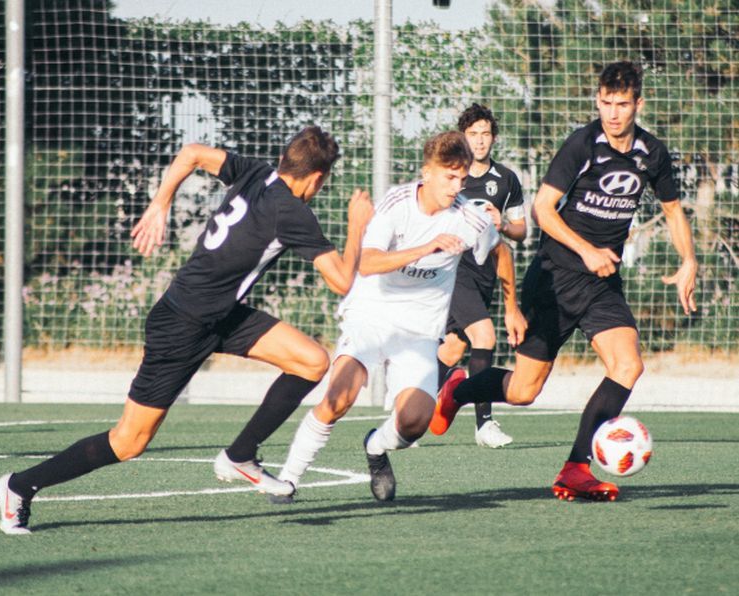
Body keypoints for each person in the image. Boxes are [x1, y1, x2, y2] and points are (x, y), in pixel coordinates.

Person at [0, 126, 374, 534]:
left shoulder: (255, 172)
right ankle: (18, 486)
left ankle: (240, 456)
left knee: (311, 361)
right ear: (317, 177)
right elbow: (341, 280)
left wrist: (160, 204)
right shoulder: (292, 211)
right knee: (129, 441)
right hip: (181, 325)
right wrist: (357, 227)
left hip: (221, 315)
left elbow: (192, 152)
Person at [430, 61, 698, 501]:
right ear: (598, 101)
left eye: (623, 105)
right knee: (522, 390)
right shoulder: (581, 144)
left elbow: (671, 210)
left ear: (638, 104)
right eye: (606, 103)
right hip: (553, 279)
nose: (613, 114)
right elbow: (543, 209)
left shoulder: (653, 152)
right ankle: (459, 390)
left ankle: (575, 468)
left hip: (601, 283)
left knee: (628, 365)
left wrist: (688, 260)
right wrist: (586, 250)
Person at [273, 131, 527, 503]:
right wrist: (427, 246)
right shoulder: (397, 203)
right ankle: (289, 480)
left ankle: (376, 447)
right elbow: (368, 261)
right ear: (427, 172)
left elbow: (500, 253)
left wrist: (512, 308)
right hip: (372, 314)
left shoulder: (472, 219)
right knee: (339, 397)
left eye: (461, 177)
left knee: (415, 422)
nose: (456, 185)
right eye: (448, 176)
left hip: (420, 330)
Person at [435, 103, 527, 448]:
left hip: (486, 273)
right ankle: (484, 424)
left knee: (452, 349)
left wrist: (502, 222)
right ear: (462, 137)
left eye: (485, 134)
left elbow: (520, 231)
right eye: (472, 134)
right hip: (454, 271)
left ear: (494, 137)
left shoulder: (506, 180)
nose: (479, 141)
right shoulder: (452, 178)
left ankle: (406, 411)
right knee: (484, 337)